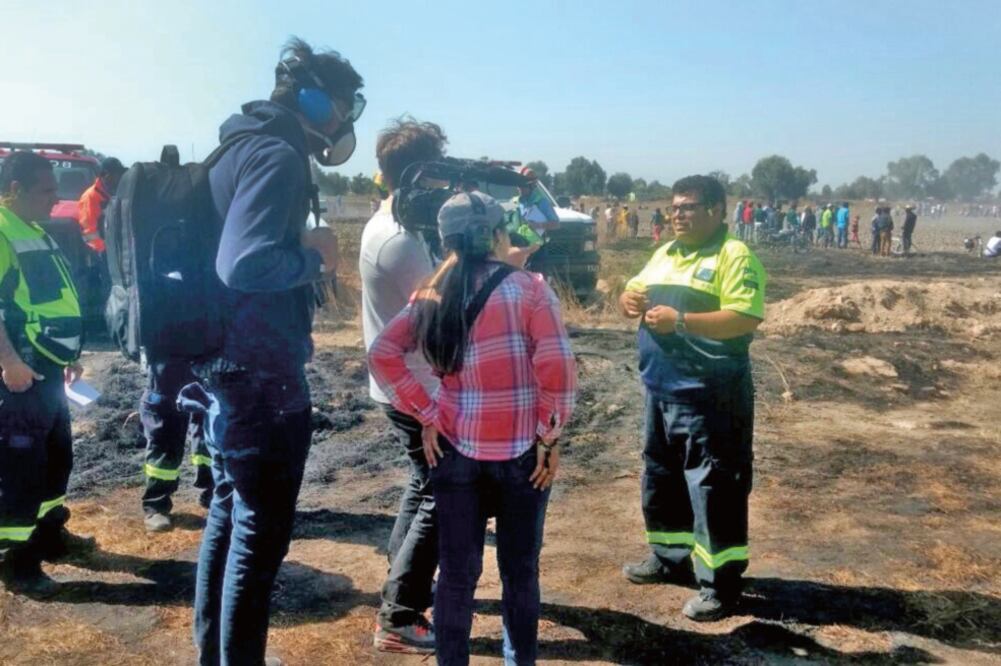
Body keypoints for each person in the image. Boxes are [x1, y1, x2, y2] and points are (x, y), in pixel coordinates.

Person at [181, 38, 362, 666]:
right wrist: (315, 258)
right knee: (260, 530)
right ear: (314, 99)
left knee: (230, 513)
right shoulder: (278, 154)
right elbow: (244, 262)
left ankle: (218, 654)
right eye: (344, 107)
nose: (345, 124)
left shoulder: (240, 144)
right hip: (260, 372)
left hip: (228, 363)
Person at [369, 191, 576, 666]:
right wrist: (549, 436)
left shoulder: (431, 294)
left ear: (445, 242)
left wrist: (426, 412)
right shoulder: (530, 289)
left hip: (455, 453)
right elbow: (557, 368)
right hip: (523, 457)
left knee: (457, 576)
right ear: (498, 235)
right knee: (520, 573)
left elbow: (382, 354)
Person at [619, 175, 765, 622]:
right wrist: (627, 298)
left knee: (714, 485)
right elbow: (635, 291)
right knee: (661, 477)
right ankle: (668, 557)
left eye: (689, 207)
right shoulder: (666, 252)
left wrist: (682, 320)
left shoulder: (733, 256)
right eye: (674, 207)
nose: (678, 214)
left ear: (718, 210)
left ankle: (721, 584)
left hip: (710, 394)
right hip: (661, 389)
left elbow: (744, 318)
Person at [360, 118, 448, 654]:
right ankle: (400, 615)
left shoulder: (397, 222)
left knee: (422, 485)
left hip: (402, 383)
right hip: (416, 388)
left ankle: (400, 581)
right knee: (442, 493)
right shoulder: (400, 239)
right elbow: (443, 310)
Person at [0, 152, 90, 593]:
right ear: (15, 190)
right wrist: (9, 361)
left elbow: (53, 301)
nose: (56, 199)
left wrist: (68, 354)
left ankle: (51, 532)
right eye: (47, 190)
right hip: (22, 372)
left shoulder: (33, 231)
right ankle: (15, 562)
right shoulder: (1, 232)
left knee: (56, 458)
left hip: (48, 366)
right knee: (20, 465)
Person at [77, 156, 126, 253]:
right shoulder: (90, 197)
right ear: (107, 176)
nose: (121, 178)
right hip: (101, 253)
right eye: (118, 175)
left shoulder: (117, 193)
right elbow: (89, 232)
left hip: (116, 250)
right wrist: (104, 251)